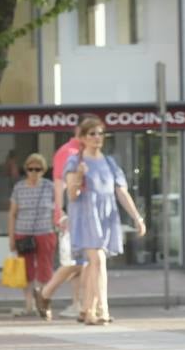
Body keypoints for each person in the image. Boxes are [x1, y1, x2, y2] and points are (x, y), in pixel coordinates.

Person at [61, 117, 146, 325]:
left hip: (107, 216)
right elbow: (72, 195)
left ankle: (90, 309)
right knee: (98, 260)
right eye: (92, 134)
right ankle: (98, 310)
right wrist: (80, 177)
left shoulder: (109, 162)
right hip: (86, 215)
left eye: (100, 133)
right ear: (82, 138)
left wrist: (137, 217)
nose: (97, 138)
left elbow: (121, 192)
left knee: (96, 264)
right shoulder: (75, 162)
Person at [35, 119, 93, 320]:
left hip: (85, 214)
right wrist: (60, 213)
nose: (95, 136)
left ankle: (79, 304)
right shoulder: (68, 152)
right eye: (90, 132)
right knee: (78, 261)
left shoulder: (86, 153)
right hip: (72, 215)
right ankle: (45, 292)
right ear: (79, 131)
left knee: (84, 262)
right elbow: (60, 184)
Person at [8, 152, 55, 317]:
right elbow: (12, 213)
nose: (34, 173)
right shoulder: (19, 187)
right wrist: (11, 236)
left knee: (45, 269)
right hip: (23, 232)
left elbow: (56, 210)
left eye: (38, 169)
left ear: (43, 170)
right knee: (26, 271)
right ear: (26, 169)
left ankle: (42, 300)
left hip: (45, 232)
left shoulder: (49, 186)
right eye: (30, 169)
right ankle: (29, 305)